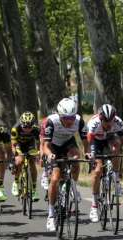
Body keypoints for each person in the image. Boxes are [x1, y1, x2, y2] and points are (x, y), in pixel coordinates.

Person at [43, 98, 88, 232]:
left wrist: (88, 153)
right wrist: (50, 155)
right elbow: (45, 146)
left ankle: (73, 185)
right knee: (55, 178)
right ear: (60, 115)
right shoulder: (51, 121)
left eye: (72, 118)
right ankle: (51, 214)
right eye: (66, 118)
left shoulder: (79, 121)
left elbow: (85, 141)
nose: (69, 121)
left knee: (75, 158)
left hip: (68, 143)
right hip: (54, 146)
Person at [87, 104, 123, 223]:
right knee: (97, 172)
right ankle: (94, 205)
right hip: (96, 142)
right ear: (100, 119)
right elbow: (88, 144)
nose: (108, 124)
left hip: (110, 139)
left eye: (110, 122)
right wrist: (91, 157)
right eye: (105, 122)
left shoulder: (118, 122)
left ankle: (116, 179)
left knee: (116, 147)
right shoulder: (93, 123)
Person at [10, 112, 40, 202]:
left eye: (29, 127)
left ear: (33, 125)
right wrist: (15, 154)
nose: (27, 129)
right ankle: (16, 182)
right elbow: (13, 145)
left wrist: (39, 153)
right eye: (25, 127)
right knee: (19, 161)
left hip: (30, 145)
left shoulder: (36, 129)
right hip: (19, 145)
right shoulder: (15, 129)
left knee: (32, 163)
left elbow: (40, 143)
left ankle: (34, 189)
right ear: (21, 124)